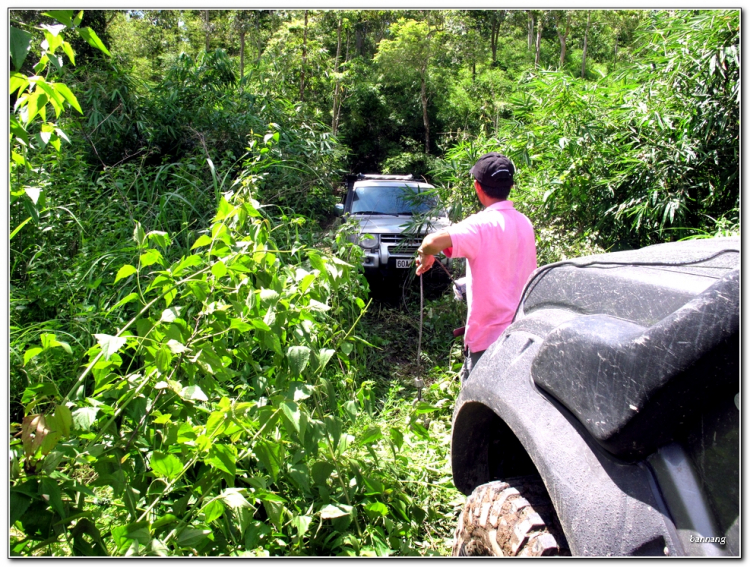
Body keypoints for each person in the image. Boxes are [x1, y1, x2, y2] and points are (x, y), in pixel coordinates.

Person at [415, 153, 537, 382]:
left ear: (477, 187)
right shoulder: (524, 222)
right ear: (510, 186)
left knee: (479, 410)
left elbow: (431, 242)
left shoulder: (480, 225)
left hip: (489, 341)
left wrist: (426, 255)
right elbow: (505, 269)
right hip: (523, 334)